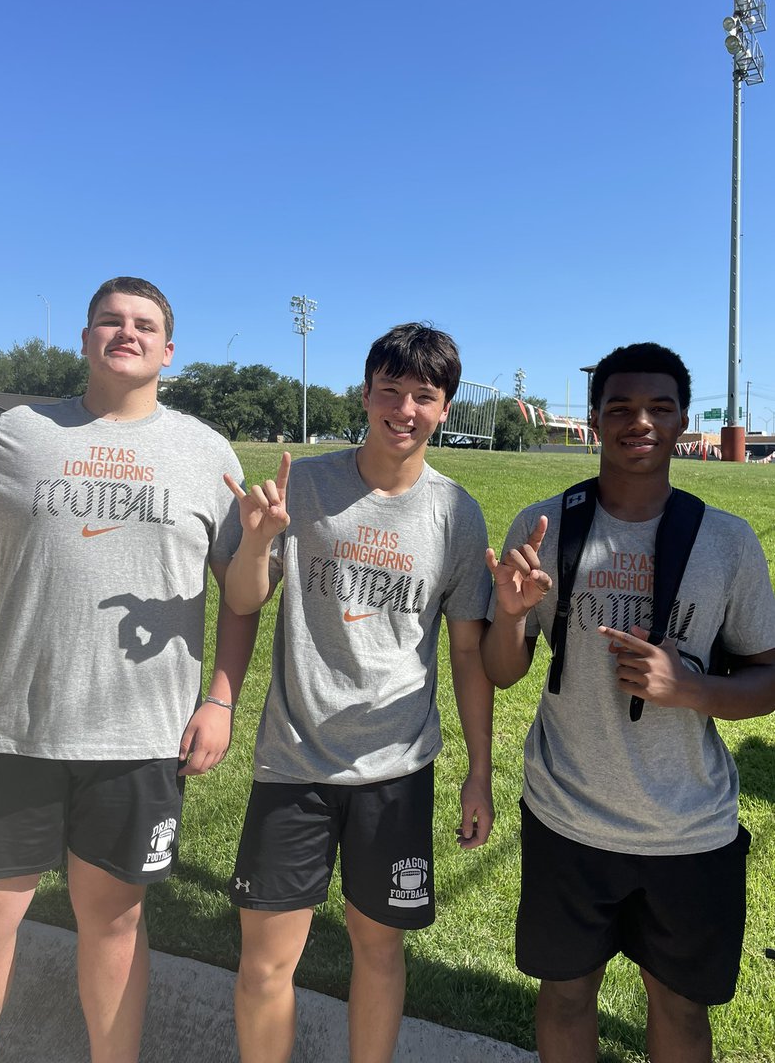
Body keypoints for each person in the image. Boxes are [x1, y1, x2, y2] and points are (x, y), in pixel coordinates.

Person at [0, 277, 257, 1063]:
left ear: (169, 350)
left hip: (139, 735)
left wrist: (223, 700)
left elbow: (240, 595)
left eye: (144, 324)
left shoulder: (205, 452)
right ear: (86, 339)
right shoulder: (22, 433)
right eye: (109, 321)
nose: (125, 332)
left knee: (116, 924)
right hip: (15, 725)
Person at [482, 342, 775, 1063]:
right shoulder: (545, 525)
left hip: (687, 829)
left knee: (679, 1009)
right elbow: (503, 671)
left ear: (682, 422)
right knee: (567, 995)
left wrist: (693, 688)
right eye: (620, 407)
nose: (638, 421)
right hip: (567, 814)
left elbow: (770, 677)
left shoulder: (728, 543)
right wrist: (513, 615)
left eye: (658, 408)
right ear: (593, 420)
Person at [221, 323, 495, 1063]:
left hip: (397, 770)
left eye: (424, 396)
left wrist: (478, 770)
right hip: (294, 760)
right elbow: (244, 600)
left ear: (444, 410)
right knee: (267, 963)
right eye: (391, 390)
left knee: (379, 954)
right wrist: (255, 542)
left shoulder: (456, 514)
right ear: (365, 393)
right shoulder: (303, 485)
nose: (404, 408)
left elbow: (468, 651)